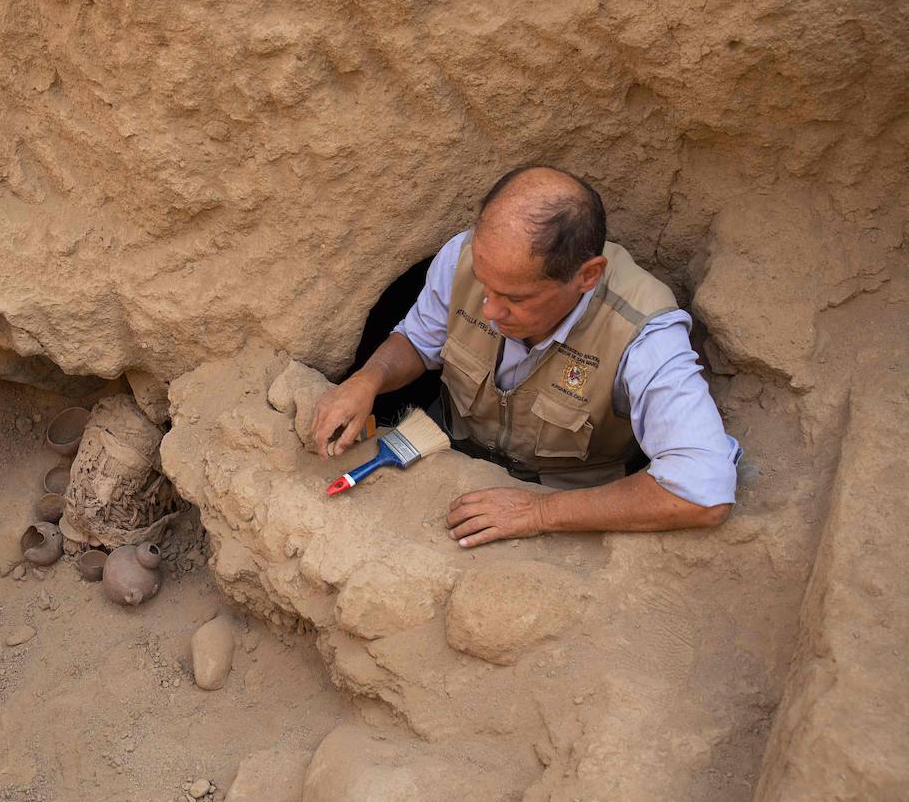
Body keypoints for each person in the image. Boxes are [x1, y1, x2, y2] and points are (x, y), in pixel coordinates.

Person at [311, 165, 741, 548]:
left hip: (562, 495)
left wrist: (538, 514)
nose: (490, 310)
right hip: (443, 448)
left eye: (515, 298)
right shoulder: (463, 257)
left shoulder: (643, 331)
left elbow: (702, 490)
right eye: (484, 284)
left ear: (586, 277)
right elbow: (419, 343)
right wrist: (367, 380)